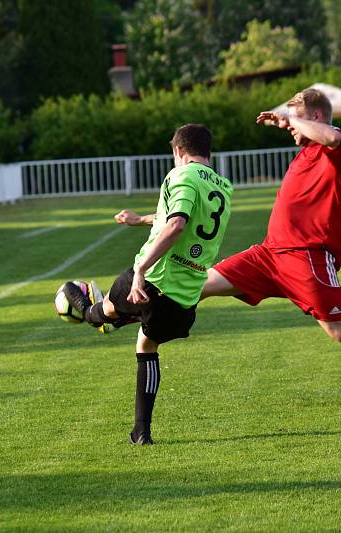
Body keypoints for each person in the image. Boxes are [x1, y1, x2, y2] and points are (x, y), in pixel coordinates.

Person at [194, 88, 341, 407]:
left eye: (298, 119)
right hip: (268, 255)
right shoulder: (305, 152)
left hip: (307, 257)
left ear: (317, 117)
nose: (291, 127)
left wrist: (290, 118)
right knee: (197, 285)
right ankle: (117, 315)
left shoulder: (336, 146)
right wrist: (292, 121)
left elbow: (332, 138)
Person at [63, 124, 233, 445]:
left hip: (154, 281)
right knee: (147, 344)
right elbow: (177, 216)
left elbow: (177, 224)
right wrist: (139, 219)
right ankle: (141, 432)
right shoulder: (224, 187)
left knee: (107, 308)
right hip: (186, 299)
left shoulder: (181, 176)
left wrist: (141, 267)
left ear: (178, 151)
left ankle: (94, 313)